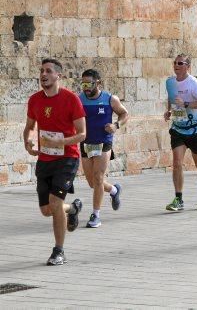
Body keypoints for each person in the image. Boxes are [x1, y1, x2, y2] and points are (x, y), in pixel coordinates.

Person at [23, 58, 86, 265]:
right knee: (46, 210)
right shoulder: (35, 100)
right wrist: (28, 141)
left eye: (48, 71)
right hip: (45, 158)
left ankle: (59, 251)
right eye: (41, 71)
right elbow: (29, 126)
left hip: (67, 158)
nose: (43, 74)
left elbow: (82, 134)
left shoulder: (71, 99)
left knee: (55, 203)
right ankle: (73, 209)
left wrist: (60, 141)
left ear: (58, 75)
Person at [79, 69, 129, 228]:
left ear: (98, 83)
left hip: (104, 142)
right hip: (86, 143)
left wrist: (116, 125)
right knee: (92, 183)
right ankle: (114, 190)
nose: (86, 87)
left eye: (89, 83)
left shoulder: (109, 99)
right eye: (83, 83)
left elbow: (124, 113)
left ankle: (96, 215)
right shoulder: (79, 99)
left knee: (99, 177)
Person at [164, 54, 197, 211]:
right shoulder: (170, 82)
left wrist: (186, 103)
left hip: (195, 129)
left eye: (180, 63)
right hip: (178, 129)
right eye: (175, 63)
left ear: (187, 66)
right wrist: (169, 111)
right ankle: (178, 199)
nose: (176, 65)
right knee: (177, 163)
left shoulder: (194, 83)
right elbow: (171, 98)